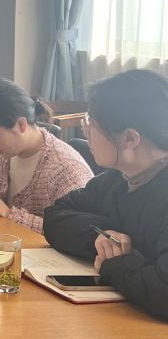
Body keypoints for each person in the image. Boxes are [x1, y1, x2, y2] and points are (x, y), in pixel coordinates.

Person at [43, 69, 168, 321]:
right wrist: (102, 236)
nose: (85, 134)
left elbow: (163, 292)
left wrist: (113, 263)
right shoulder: (116, 180)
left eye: (91, 125)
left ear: (129, 138)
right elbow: (55, 216)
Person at [0, 78, 92, 233]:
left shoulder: (66, 169)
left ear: (21, 124)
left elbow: (78, 232)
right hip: (2, 242)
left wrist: (10, 214)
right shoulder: (1, 156)